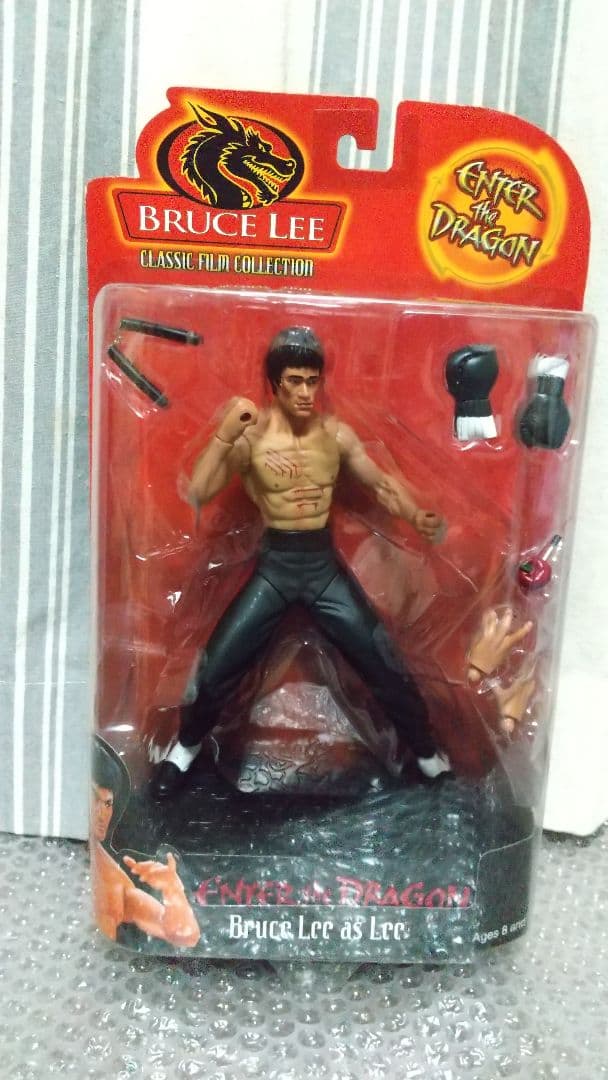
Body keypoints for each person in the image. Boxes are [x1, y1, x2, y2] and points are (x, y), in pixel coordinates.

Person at [151, 326, 451, 799]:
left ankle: (429, 755)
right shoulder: (252, 438)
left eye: (313, 381)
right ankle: (183, 751)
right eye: (295, 381)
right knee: (219, 664)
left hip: (321, 565)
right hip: (276, 566)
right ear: (275, 383)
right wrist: (224, 436)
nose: (306, 392)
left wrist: (415, 515)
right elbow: (199, 491)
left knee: (383, 664)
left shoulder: (335, 435)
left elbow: (380, 484)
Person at [92, 742, 200, 946]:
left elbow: (186, 936)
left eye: (107, 803)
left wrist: (173, 891)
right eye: (94, 798)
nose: (101, 813)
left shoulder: (115, 882)